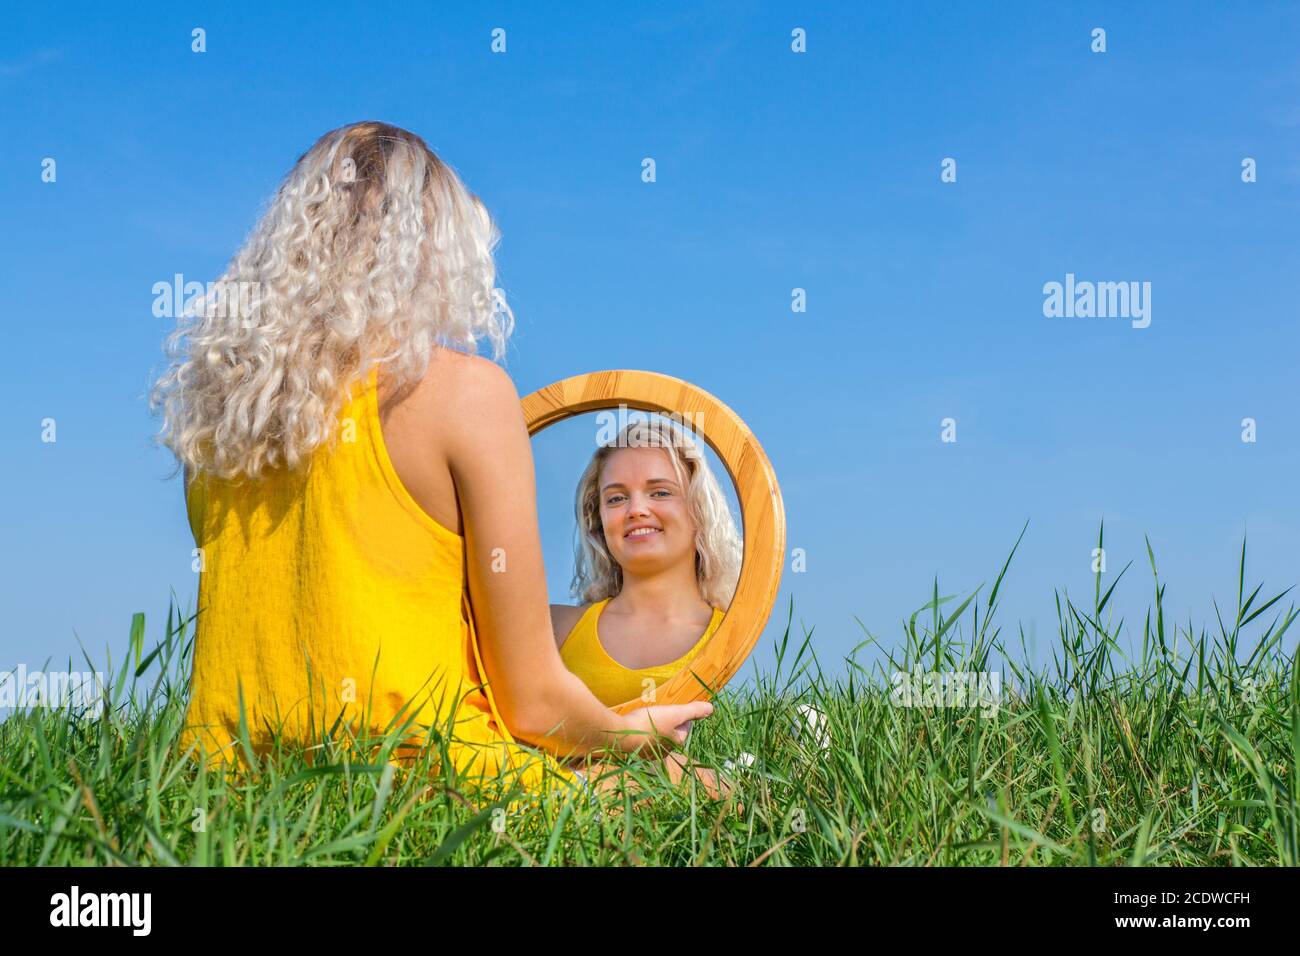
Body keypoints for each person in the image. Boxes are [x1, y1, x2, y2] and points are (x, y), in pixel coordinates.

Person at [149, 120, 712, 810]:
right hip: (430, 784)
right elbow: (533, 704)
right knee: (708, 794)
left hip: (225, 796)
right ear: (440, 253)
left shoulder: (224, 423)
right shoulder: (463, 393)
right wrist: (631, 736)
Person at [551, 417, 744, 800]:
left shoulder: (735, 634)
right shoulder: (555, 627)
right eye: (617, 498)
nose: (636, 509)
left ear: (698, 509)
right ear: (597, 521)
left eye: (659, 492)